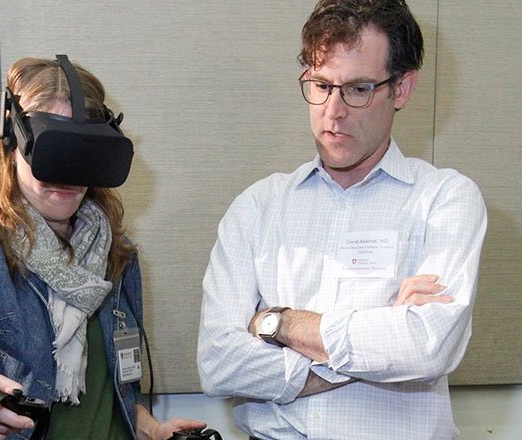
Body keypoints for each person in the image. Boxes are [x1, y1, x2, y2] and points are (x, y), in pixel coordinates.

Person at [197, 1, 487, 439]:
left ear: (402, 89)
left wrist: (278, 324)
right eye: (320, 85)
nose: (333, 112)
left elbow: (428, 347)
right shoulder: (258, 206)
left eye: (358, 89)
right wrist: (381, 342)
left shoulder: (446, 200)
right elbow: (219, 363)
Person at [0, 56, 205, 440]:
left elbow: (121, 385)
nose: (66, 176)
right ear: (12, 141)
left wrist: (148, 427)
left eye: (82, 153)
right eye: (53, 150)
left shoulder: (117, 256)